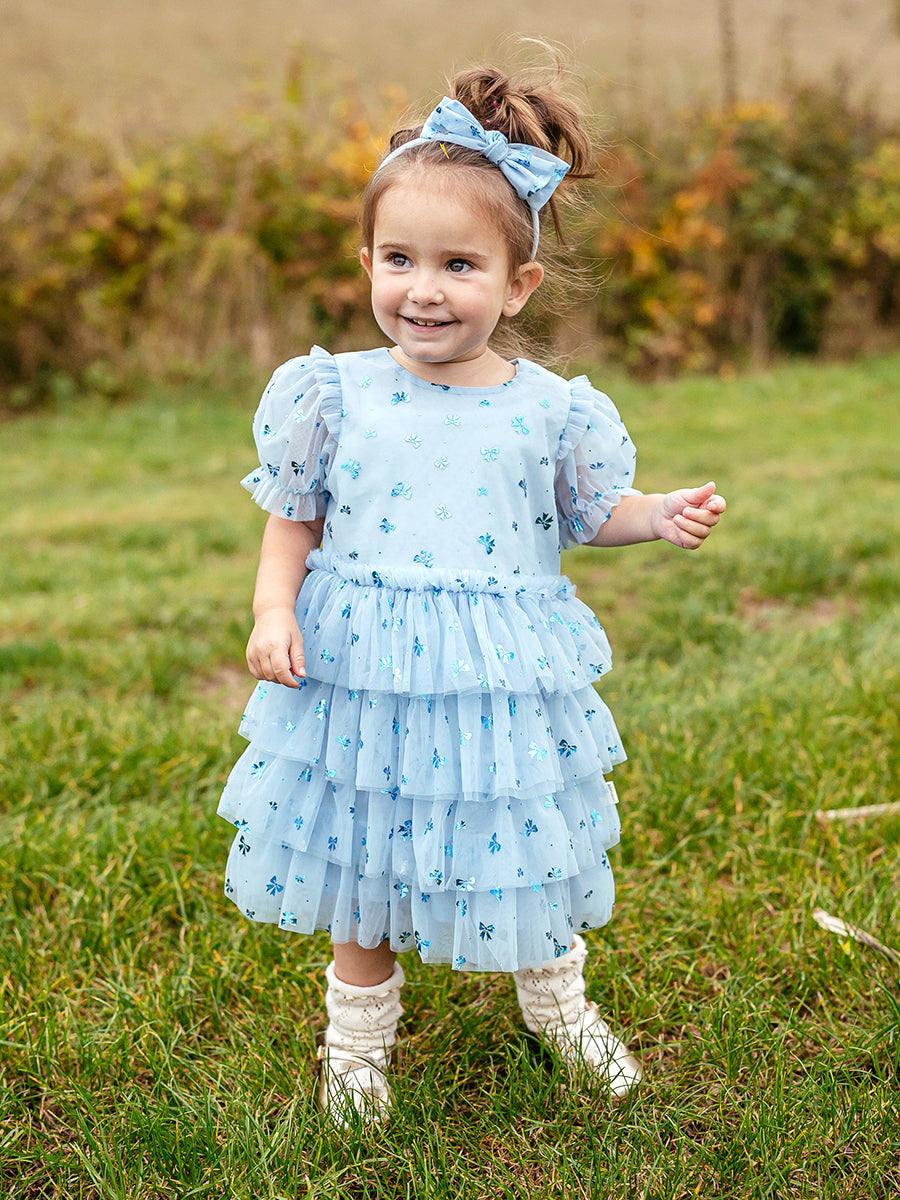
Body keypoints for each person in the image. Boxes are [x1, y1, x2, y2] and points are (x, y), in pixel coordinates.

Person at [217, 61, 725, 1124]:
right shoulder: (334, 394)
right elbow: (293, 518)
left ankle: (559, 1007)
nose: (425, 289)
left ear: (517, 284)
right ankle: (358, 1044)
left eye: (459, 265)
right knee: (361, 849)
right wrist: (273, 610)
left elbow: (589, 512)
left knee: (522, 842)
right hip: (362, 671)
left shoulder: (549, 410)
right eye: (400, 260)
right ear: (367, 262)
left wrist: (656, 514)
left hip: (496, 676)